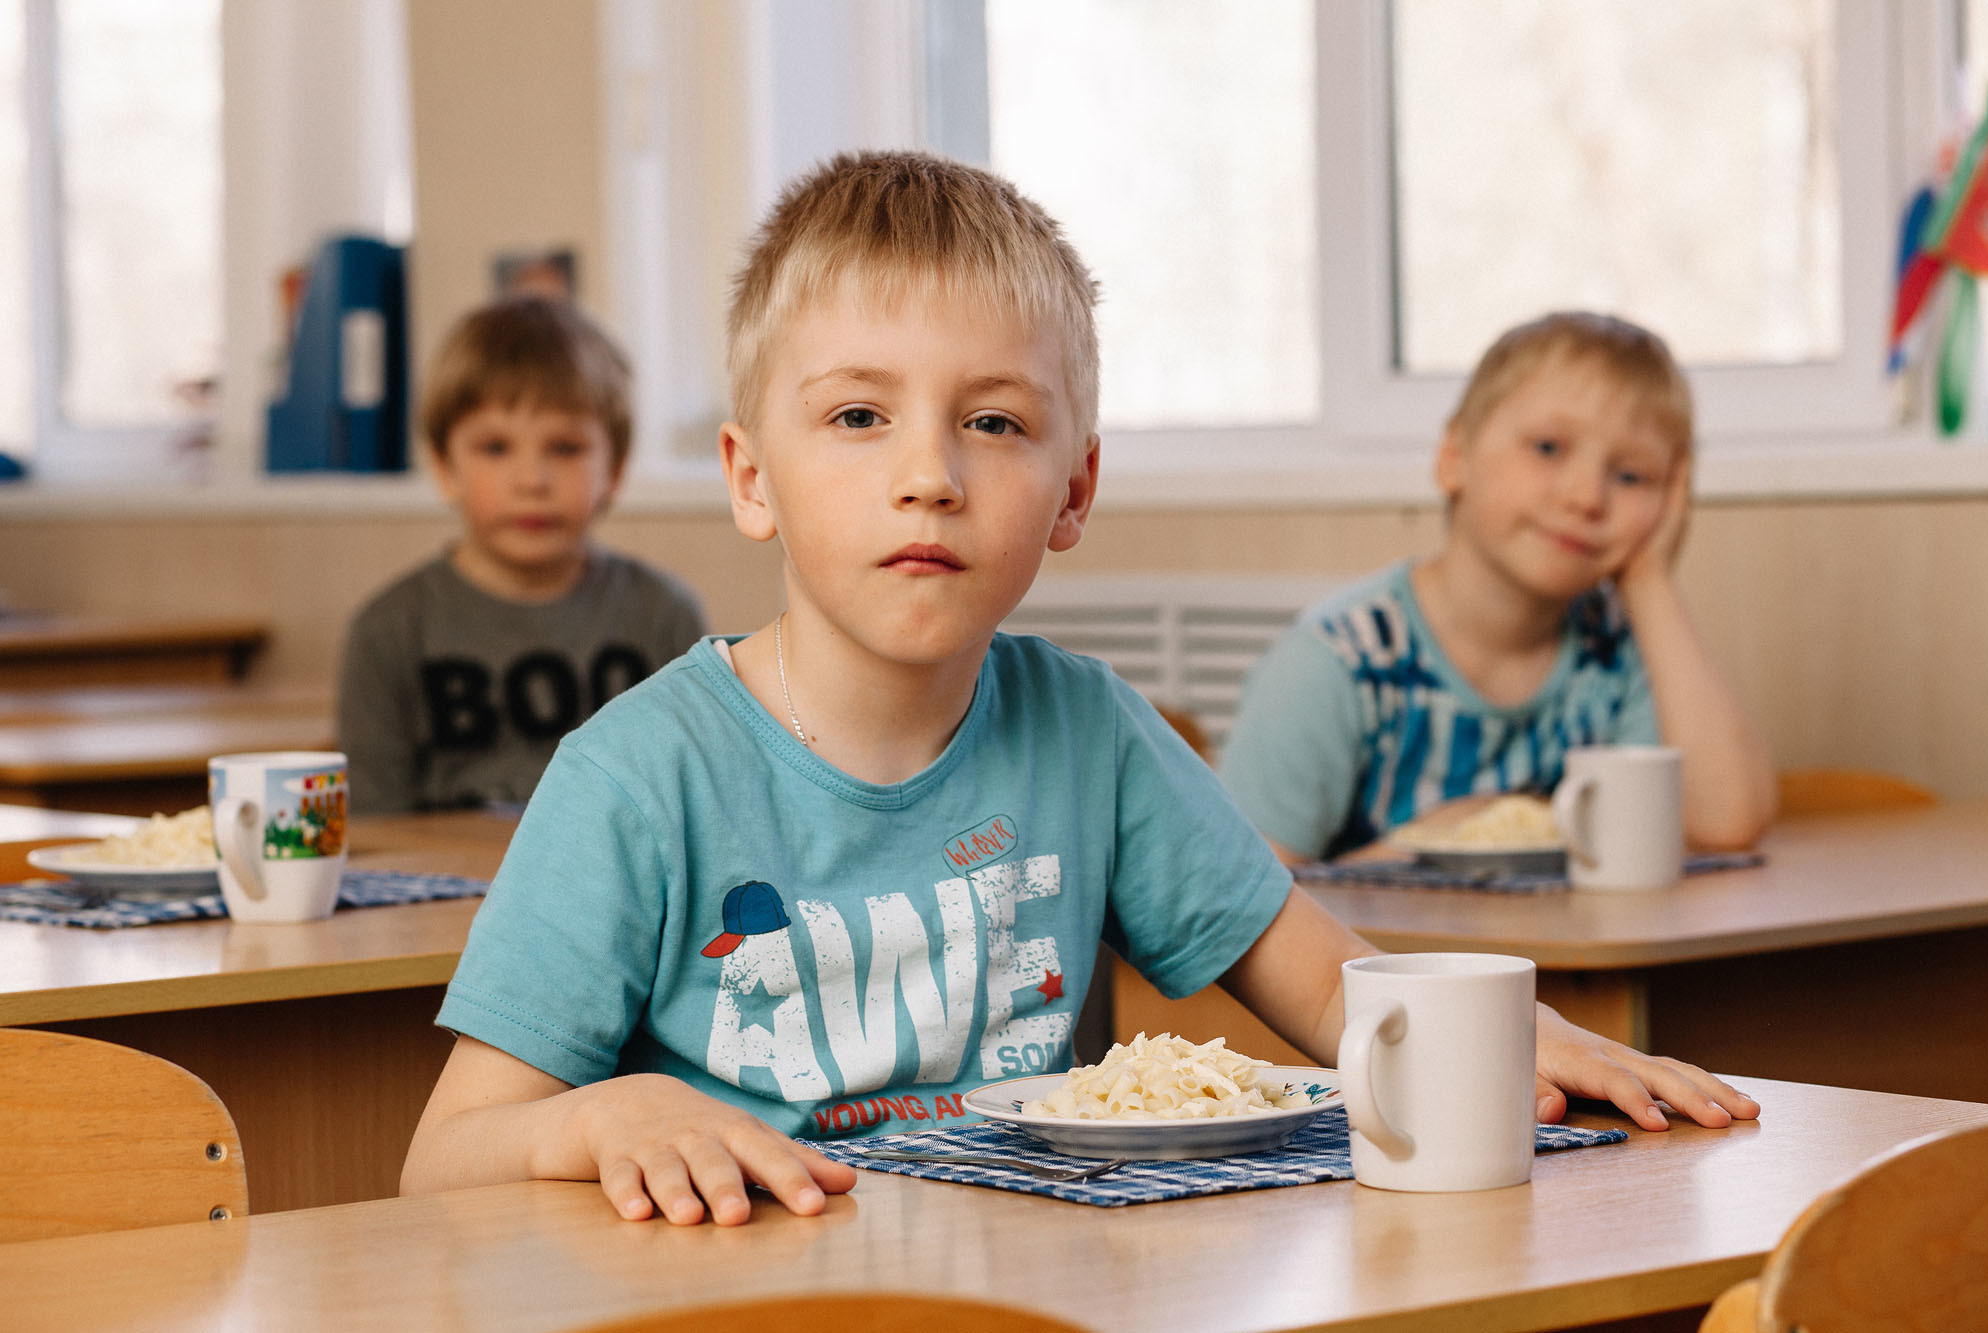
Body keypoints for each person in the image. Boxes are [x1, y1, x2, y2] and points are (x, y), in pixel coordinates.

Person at [400, 154, 1758, 1228]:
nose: (929, 472)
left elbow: (1327, 985)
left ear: (1075, 489)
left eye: (993, 421)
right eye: (859, 416)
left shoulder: (1092, 733)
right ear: (753, 478)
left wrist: (1516, 1034)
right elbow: (440, 1163)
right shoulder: (637, 777)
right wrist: (594, 1119)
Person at [1220, 312, 1777, 864]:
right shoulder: (1335, 663)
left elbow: (1724, 823)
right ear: (1454, 458)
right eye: (1548, 448)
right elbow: (1237, 910)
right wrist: (1421, 851)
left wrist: (1651, 579)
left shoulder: (1616, 651)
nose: (1587, 497)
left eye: (1632, 477)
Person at [337, 296, 707, 814]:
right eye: (495, 448)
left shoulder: (663, 614)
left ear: (615, 470)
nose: (532, 480)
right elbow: (374, 826)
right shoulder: (389, 631)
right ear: (445, 468)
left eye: (564, 448)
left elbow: (693, 802)